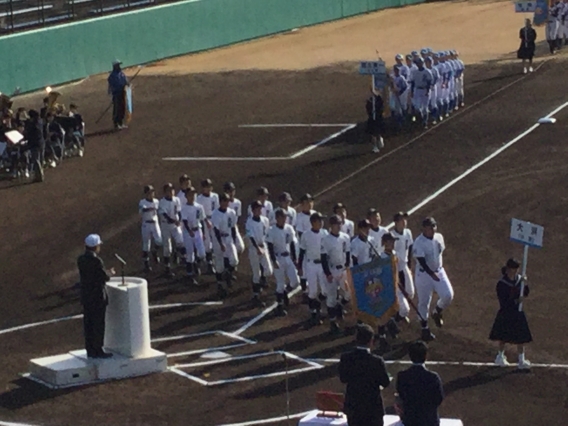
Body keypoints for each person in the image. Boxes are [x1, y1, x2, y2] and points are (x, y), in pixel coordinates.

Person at [339, 324, 391, 426]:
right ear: (371, 341)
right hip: (373, 409)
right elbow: (385, 382)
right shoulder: (377, 361)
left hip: (353, 408)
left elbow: (343, 379)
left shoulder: (346, 358)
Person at [412, 217, 454, 341]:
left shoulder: (439, 237)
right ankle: (424, 329)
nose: (432, 229)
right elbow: (421, 261)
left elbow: (440, 252)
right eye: (430, 227)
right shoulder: (418, 242)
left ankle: (436, 311)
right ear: (423, 228)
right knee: (424, 302)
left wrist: (436, 272)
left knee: (448, 295)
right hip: (424, 275)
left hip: (439, 271)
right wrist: (431, 273)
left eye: (434, 226)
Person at [489, 258, 532, 369]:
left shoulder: (519, 280)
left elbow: (525, 292)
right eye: (513, 269)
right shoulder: (501, 284)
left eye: (516, 269)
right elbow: (504, 300)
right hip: (507, 312)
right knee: (503, 336)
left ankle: (521, 360)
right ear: (508, 269)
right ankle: (500, 356)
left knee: (521, 337)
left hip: (517, 312)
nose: (515, 271)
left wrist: (524, 284)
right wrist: (516, 300)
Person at [77, 234, 115, 359]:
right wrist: (109, 273)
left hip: (86, 296)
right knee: (98, 324)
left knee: (88, 324)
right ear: (95, 247)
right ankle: (98, 349)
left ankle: (90, 349)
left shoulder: (81, 259)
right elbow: (102, 277)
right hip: (97, 297)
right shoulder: (96, 261)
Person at [396, 340, 444, 426]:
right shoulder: (433, 377)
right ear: (426, 356)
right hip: (430, 421)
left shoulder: (402, 376)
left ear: (410, 356)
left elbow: (401, 396)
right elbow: (439, 399)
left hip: (410, 421)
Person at [321, 215, 351, 334]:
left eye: (340, 224)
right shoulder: (326, 240)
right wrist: (327, 273)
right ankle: (333, 322)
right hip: (332, 270)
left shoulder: (345, 237)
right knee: (331, 297)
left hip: (343, 269)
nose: (339, 226)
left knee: (348, 292)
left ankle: (340, 305)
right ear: (331, 226)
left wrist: (347, 266)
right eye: (336, 224)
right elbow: (323, 258)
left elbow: (347, 252)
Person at [267, 209, 300, 316]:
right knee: (280, 284)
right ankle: (280, 306)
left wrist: (294, 259)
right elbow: (270, 247)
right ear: (277, 218)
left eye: (285, 217)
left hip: (288, 257)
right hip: (278, 258)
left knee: (295, 281)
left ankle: (285, 292)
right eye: (282, 217)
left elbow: (291, 244)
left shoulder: (289, 228)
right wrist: (273, 260)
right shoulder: (272, 230)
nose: (284, 219)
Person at [298, 212, 328, 326]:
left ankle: (317, 305)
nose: (322, 222)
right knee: (313, 291)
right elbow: (301, 252)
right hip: (311, 265)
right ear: (313, 222)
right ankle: (314, 314)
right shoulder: (306, 235)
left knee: (325, 291)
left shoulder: (325, 233)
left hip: (322, 264)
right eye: (319, 220)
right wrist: (300, 267)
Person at [245, 200, 273, 307]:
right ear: (253, 210)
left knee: (269, 271)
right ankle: (256, 296)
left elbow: (267, 234)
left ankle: (259, 285)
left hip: (263, 246)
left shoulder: (265, 220)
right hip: (254, 248)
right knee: (256, 273)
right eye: (257, 209)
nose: (259, 210)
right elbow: (251, 236)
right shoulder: (249, 222)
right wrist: (257, 248)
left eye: (260, 208)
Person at [211, 193, 239, 298]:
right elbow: (216, 230)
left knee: (234, 260)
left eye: (227, 201)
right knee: (219, 264)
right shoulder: (215, 214)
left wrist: (235, 240)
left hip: (228, 238)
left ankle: (228, 274)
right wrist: (221, 243)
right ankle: (220, 284)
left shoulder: (231, 213)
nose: (226, 203)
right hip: (219, 239)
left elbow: (233, 227)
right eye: (224, 201)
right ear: (220, 202)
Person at [391, 212, 414, 324]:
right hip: (395, 268)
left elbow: (409, 249)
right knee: (399, 293)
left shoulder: (408, 233)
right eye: (401, 220)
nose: (404, 222)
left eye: (405, 219)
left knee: (410, 293)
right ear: (396, 222)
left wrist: (409, 266)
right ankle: (398, 317)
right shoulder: (391, 236)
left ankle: (401, 313)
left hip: (404, 266)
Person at [158, 183, 186, 277]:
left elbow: (179, 211)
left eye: (172, 190)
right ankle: (167, 268)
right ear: (165, 192)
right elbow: (166, 216)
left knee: (181, 241)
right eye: (169, 190)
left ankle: (180, 257)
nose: (171, 192)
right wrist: (175, 221)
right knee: (167, 248)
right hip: (166, 226)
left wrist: (180, 220)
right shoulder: (162, 202)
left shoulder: (176, 199)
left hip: (175, 225)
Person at [181, 186, 206, 284]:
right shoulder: (184, 208)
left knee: (202, 253)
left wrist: (203, 232)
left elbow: (202, 220)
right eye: (190, 194)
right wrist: (189, 230)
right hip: (188, 232)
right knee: (190, 254)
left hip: (198, 230)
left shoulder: (199, 207)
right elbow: (185, 221)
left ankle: (196, 264)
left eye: (194, 194)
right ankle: (190, 275)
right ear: (186, 196)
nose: (192, 196)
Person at [196, 179, 220, 275]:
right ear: (202, 188)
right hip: (204, 221)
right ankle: (208, 264)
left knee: (215, 241)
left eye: (209, 186)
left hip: (213, 219)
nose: (208, 189)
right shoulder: (199, 198)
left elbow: (217, 209)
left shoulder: (215, 196)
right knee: (206, 244)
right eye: (206, 187)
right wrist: (204, 222)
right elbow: (200, 213)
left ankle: (212, 263)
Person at [295, 194, 316, 301]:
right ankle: (304, 292)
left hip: (315, 247)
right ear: (302, 205)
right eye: (307, 202)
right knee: (303, 269)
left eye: (310, 202)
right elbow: (300, 233)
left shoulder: (315, 214)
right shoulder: (299, 217)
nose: (309, 204)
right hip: (304, 247)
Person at [138, 185, 162, 272]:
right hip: (146, 224)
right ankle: (146, 264)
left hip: (155, 224)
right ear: (146, 194)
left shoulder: (156, 201)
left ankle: (154, 251)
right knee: (146, 245)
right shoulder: (142, 202)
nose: (151, 194)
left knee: (159, 241)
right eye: (149, 193)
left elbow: (159, 210)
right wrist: (149, 208)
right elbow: (142, 210)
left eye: (152, 192)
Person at [410, 57, 433, 129]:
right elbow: (413, 82)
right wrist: (412, 91)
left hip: (424, 90)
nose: (418, 64)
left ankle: (425, 122)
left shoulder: (427, 72)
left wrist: (428, 90)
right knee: (417, 107)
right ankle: (420, 119)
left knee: (425, 108)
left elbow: (429, 82)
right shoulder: (415, 72)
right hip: (417, 90)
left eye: (419, 63)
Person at [107, 60, 129, 130]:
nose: (119, 66)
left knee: (122, 107)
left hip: (122, 92)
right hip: (116, 93)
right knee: (117, 109)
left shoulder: (121, 73)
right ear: (114, 66)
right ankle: (116, 124)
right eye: (118, 65)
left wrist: (127, 84)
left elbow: (125, 81)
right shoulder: (112, 76)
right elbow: (111, 85)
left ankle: (121, 122)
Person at [365, 87, 385, 153]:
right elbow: (368, 109)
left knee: (377, 132)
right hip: (372, 118)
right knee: (373, 134)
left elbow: (381, 106)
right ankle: (375, 146)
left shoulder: (379, 100)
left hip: (378, 118)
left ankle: (379, 140)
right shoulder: (370, 101)